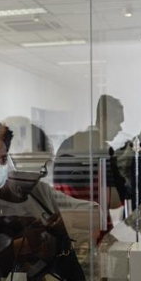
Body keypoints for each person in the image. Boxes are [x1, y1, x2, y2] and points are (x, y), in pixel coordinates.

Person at [0, 124, 94, 281]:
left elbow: (94, 213)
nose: (34, 177)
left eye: (40, 170)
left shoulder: (40, 192)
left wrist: (67, 222)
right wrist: (16, 250)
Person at [54, 95, 129, 231]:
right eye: (117, 122)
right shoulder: (103, 150)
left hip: (68, 227)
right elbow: (114, 201)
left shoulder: (68, 144)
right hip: (94, 230)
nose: (120, 128)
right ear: (103, 119)